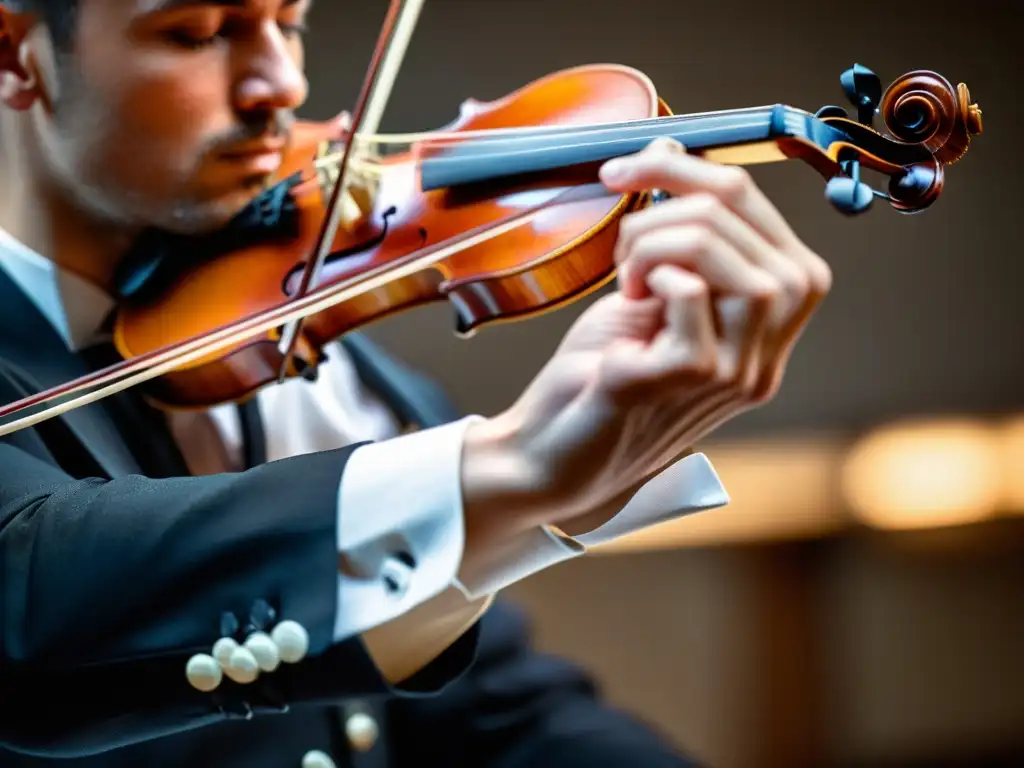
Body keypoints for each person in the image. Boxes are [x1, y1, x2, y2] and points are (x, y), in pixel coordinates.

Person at [0, 0, 832, 764]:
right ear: (15, 54)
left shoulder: (334, 377)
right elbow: (32, 593)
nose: (281, 84)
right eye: (200, 31)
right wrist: (505, 466)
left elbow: (502, 722)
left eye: (289, 23)